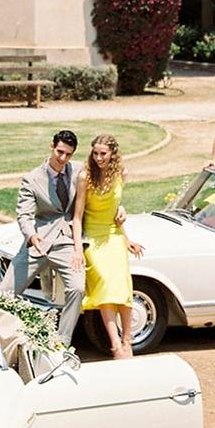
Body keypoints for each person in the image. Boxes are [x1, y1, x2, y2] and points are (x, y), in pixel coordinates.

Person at [0, 129, 84, 346]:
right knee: (3, 294)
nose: (63, 158)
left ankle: (61, 342)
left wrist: (118, 207)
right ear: (51, 146)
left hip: (66, 242)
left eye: (68, 154)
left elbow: (107, 182)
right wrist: (32, 236)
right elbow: (24, 214)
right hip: (38, 242)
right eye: (60, 152)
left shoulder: (80, 170)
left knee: (77, 288)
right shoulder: (32, 178)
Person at [72, 133, 144, 360]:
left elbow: (116, 208)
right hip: (93, 236)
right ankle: (115, 344)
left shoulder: (122, 173)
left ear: (113, 153)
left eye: (103, 154)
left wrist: (127, 237)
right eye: (95, 153)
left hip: (114, 235)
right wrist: (77, 249)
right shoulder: (85, 176)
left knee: (123, 286)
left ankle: (127, 340)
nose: (99, 158)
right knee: (104, 283)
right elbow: (77, 216)